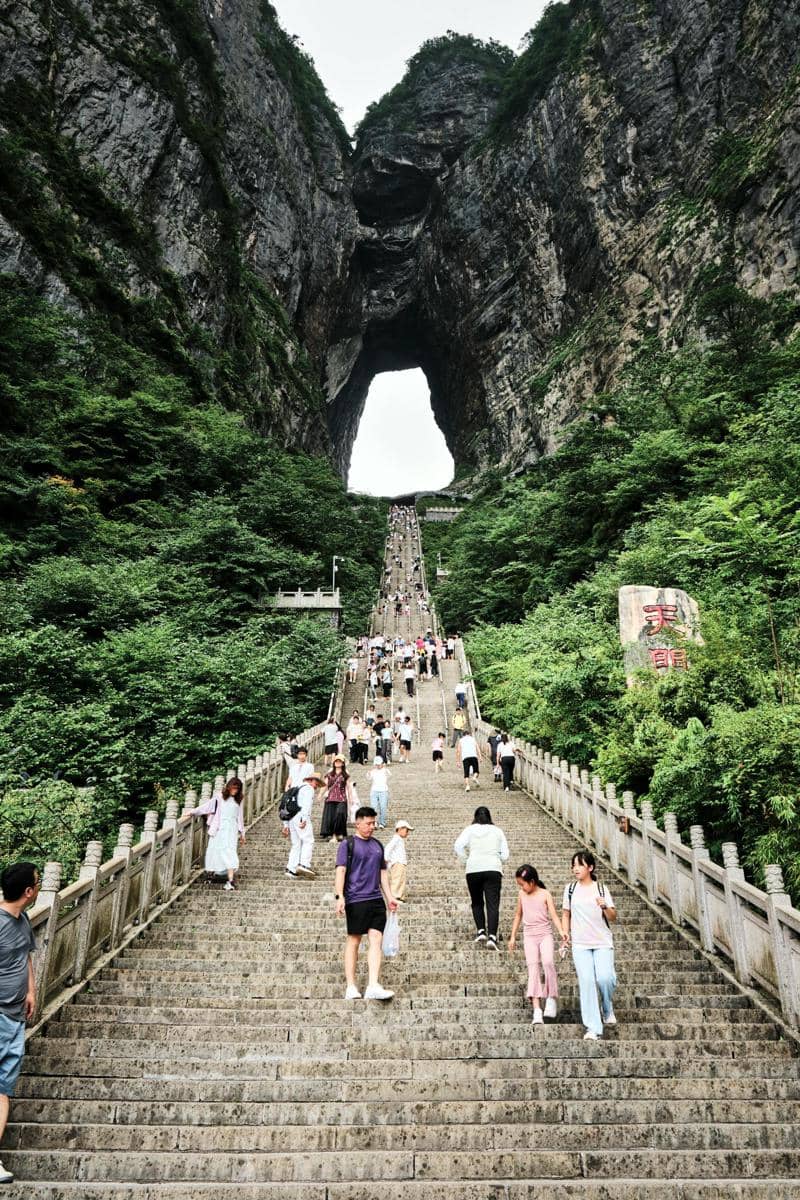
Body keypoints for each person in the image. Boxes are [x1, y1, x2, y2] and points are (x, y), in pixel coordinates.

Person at [0, 862, 39, 1183]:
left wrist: (31, 990)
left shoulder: (22, 919)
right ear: (28, 892)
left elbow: (25, 955)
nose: (38, 888)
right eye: (37, 884)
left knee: (3, 1088)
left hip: (15, 1015)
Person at [334, 807, 397, 1000]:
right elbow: (341, 871)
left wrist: (390, 897)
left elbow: (383, 874)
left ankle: (373, 984)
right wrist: (339, 897)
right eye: (368, 823)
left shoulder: (378, 845)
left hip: (376, 899)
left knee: (376, 940)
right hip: (355, 899)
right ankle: (351, 986)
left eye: (373, 823)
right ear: (357, 822)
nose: (372, 827)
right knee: (354, 940)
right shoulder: (348, 844)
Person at [562, 850, 618, 1040]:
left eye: (579, 865)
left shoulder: (601, 889)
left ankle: (607, 1005)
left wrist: (604, 906)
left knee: (605, 978)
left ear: (590, 867)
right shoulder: (570, 889)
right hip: (580, 943)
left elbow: (613, 917)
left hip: (602, 941)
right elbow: (565, 914)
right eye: (573, 865)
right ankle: (593, 1028)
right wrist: (564, 932)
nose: (575, 868)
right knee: (586, 982)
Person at [508, 864, 567, 1024]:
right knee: (533, 967)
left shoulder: (545, 894)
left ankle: (551, 998)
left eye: (523, 884)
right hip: (529, 936)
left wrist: (562, 931)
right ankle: (536, 1009)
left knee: (548, 962)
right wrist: (513, 936)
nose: (521, 887)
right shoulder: (521, 895)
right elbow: (518, 914)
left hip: (545, 934)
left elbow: (554, 915)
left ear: (532, 881)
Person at [454, 807, 509, 951]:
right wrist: (497, 859)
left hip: (473, 869)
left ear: (475, 817)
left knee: (477, 902)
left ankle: (481, 931)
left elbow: (458, 845)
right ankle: (492, 936)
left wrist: (466, 860)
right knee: (492, 904)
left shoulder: (469, 829)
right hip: (493, 869)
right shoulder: (497, 831)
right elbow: (505, 854)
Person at [201, 777, 246, 889]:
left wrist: (242, 833)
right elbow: (207, 807)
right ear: (229, 786)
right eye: (233, 788)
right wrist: (192, 812)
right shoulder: (219, 797)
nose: (235, 790)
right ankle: (210, 874)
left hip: (231, 829)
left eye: (237, 789)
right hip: (219, 828)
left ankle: (230, 880)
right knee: (214, 850)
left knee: (230, 851)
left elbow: (239, 817)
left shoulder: (238, 799)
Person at [283, 772, 324, 879]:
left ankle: (291, 869)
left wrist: (285, 824)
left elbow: (286, 804)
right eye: (316, 784)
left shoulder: (297, 788)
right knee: (308, 840)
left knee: (296, 844)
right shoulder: (308, 789)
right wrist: (304, 819)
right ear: (312, 781)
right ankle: (304, 864)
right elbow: (306, 805)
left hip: (291, 817)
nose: (316, 787)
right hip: (300, 816)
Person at [320, 756, 353, 842]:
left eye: (340, 761)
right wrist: (320, 794)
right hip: (331, 798)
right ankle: (334, 835)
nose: (338, 763)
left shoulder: (345, 774)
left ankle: (340, 833)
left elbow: (349, 787)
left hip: (342, 798)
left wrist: (351, 798)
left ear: (343, 763)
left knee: (340, 814)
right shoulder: (330, 773)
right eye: (336, 761)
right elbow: (325, 785)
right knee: (332, 817)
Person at [384, 821, 412, 903]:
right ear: (400, 829)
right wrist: (386, 859)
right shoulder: (396, 839)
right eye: (407, 831)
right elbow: (388, 848)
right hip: (397, 862)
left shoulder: (399, 839)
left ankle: (400, 896)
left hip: (401, 862)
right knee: (397, 880)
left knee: (401, 879)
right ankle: (395, 896)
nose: (407, 833)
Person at [367, 755, 392, 829]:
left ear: (382, 763)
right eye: (376, 764)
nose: (378, 766)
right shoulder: (373, 771)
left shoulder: (385, 770)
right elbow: (368, 778)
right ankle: (374, 822)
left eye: (379, 764)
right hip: (374, 791)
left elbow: (389, 775)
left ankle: (382, 822)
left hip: (383, 791)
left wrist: (385, 767)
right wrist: (368, 773)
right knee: (373, 807)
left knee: (383, 807)